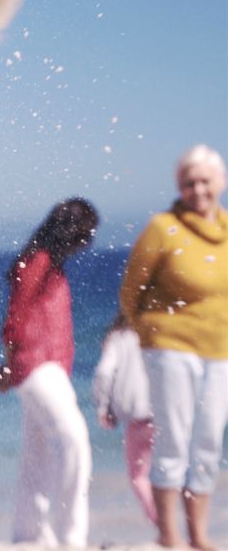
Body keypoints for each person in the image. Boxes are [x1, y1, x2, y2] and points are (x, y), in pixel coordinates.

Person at [119, 144, 228, 551]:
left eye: (204, 180)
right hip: (170, 347)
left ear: (220, 182)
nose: (198, 189)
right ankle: (170, 537)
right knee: (175, 439)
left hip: (219, 352)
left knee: (208, 443)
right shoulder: (163, 228)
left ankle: (199, 536)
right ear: (179, 187)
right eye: (189, 182)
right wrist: (149, 332)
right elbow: (132, 291)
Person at [0, 197, 98, 548]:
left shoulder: (48, 263)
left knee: (36, 457)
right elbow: (16, 315)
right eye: (85, 235)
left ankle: (29, 536)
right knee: (75, 443)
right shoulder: (38, 261)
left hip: (48, 367)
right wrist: (8, 364)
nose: (86, 244)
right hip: (38, 365)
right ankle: (72, 538)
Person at [92, 313, 157, 525]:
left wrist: (103, 406)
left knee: (139, 476)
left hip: (137, 420)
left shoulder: (118, 338)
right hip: (162, 415)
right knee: (171, 472)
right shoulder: (156, 333)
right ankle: (185, 523)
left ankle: (162, 522)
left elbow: (104, 372)